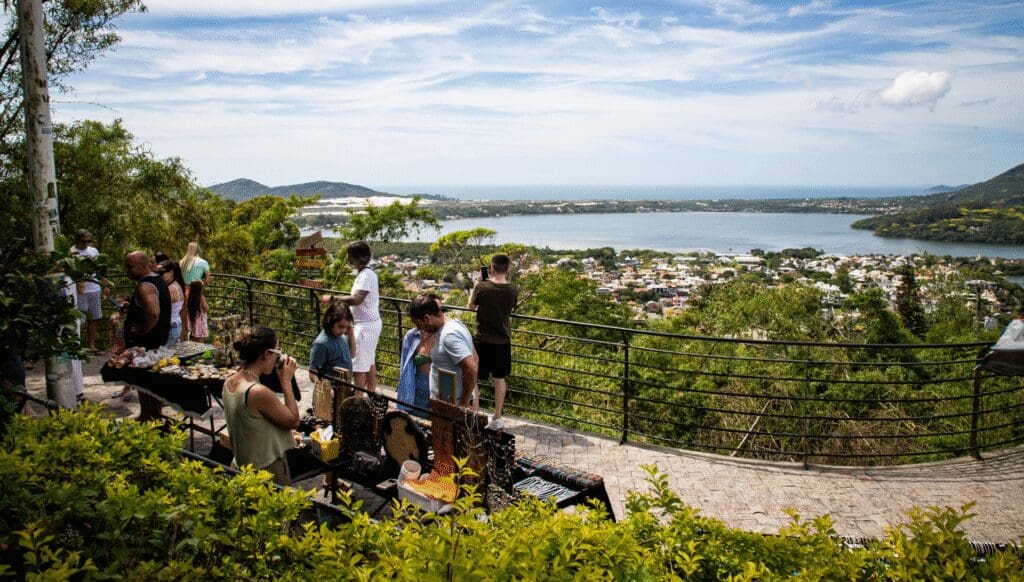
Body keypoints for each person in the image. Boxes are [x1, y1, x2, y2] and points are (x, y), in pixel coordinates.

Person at [223, 325, 299, 485]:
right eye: (277, 352)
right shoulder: (257, 392)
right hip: (265, 472)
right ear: (266, 354)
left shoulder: (229, 381)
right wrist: (286, 382)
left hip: (242, 466)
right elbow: (293, 420)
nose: (278, 358)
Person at [321, 241, 380, 394]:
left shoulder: (366, 275)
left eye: (351, 257)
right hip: (370, 324)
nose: (349, 261)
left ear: (359, 258)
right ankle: (372, 394)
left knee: (360, 366)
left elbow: (356, 299)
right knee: (370, 361)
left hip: (365, 325)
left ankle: (358, 400)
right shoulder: (367, 273)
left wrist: (332, 299)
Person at [468, 254, 518, 430]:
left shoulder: (482, 287)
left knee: (474, 377)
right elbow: (511, 309)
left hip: (482, 339)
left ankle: (474, 413)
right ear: (507, 269)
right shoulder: (513, 289)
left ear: (491, 268)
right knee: (499, 379)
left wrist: (476, 284)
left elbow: (470, 307)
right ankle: (497, 417)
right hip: (502, 340)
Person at [407, 294, 478, 410]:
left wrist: (464, 403)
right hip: (446, 402)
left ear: (427, 319)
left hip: (453, 406)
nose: (419, 329)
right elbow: (473, 361)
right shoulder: (454, 324)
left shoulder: (449, 335)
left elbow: (471, 369)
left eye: (418, 324)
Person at [123, 251, 171, 418]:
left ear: (142, 266)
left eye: (130, 267)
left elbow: (153, 312)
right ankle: (148, 415)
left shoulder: (145, 286)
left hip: (147, 343)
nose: (126, 270)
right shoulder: (158, 281)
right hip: (155, 342)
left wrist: (144, 329)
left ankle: (152, 417)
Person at [397, 294, 440, 417]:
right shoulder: (412, 336)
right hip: (416, 392)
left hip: (437, 393)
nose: (417, 326)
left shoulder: (444, 336)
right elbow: (404, 369)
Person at [71, 229, 105, 354]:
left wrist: (104, 284)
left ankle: (91, 345)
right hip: (80, 290)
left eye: (89, 241)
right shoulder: (71, 252)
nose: (86, 244)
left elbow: (99, 269)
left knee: (94, 318)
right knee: (80, 319)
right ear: (77, 240)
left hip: (94, 288)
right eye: (84, 241)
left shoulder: (93, 251)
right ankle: (77, 345)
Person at [308, 300, 355, 384]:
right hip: (330, 391)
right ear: (330, 321)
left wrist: (351, 333)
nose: (343, 330)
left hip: (344, 388)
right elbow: (312, 373)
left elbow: (353, 354)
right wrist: (326, 388)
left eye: (347, 327)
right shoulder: (321, 344)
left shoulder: (342, 337)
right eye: (340, 326)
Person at [156, 260, 185, 347]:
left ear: (171, 272)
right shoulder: (177, 285)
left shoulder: (171, 289)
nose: (159, 275)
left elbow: (157, 309)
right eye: (156, 273)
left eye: (162, 272)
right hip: (175, 325)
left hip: (170, 328)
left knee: (163, 358)